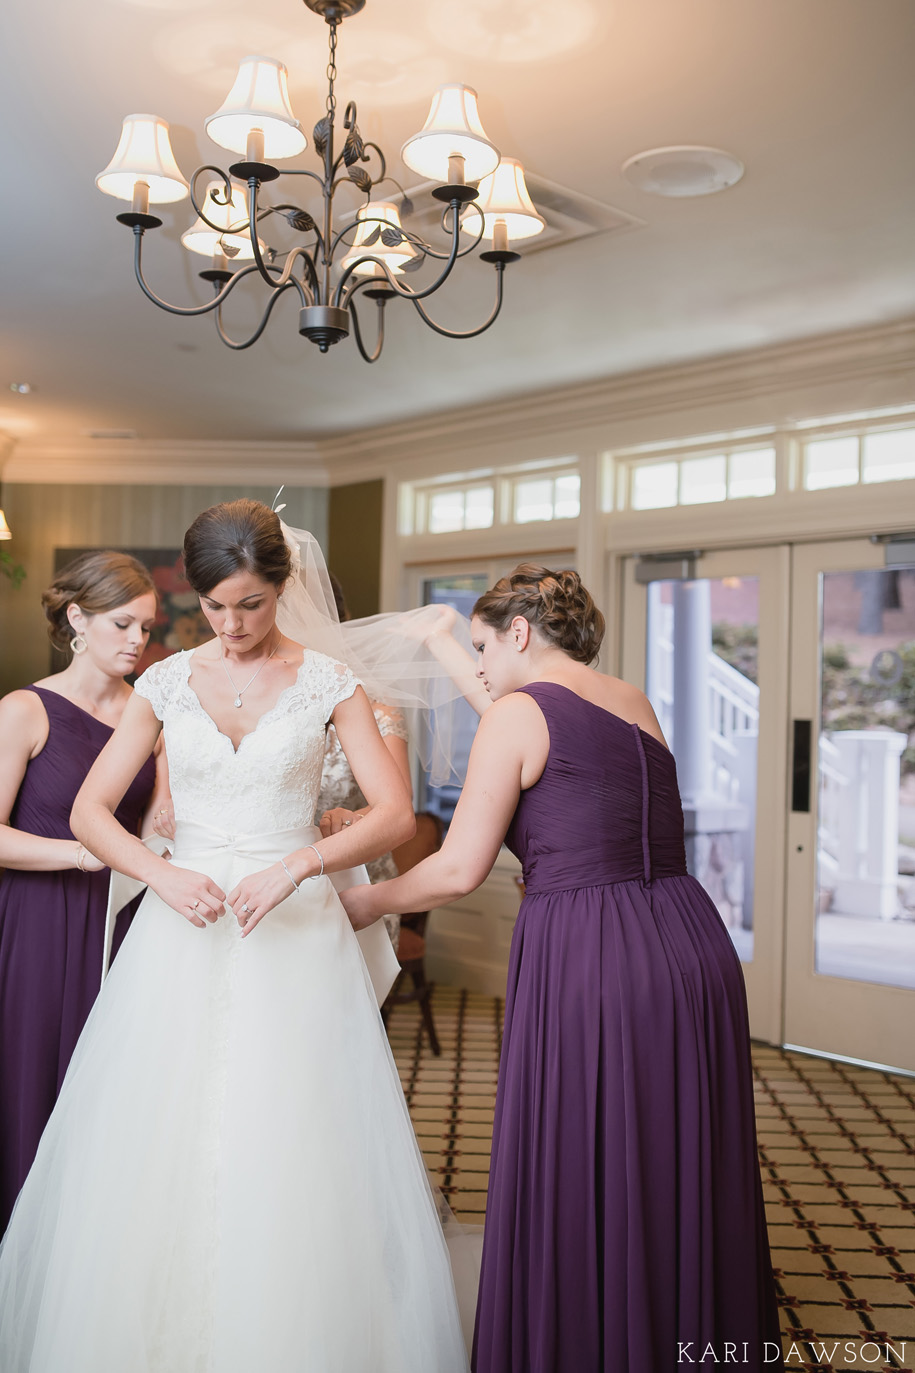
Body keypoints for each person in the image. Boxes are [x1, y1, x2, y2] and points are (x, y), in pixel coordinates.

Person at [0, 500, 470, 1372]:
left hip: (295, 939)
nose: (232, 624)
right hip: (180, 935)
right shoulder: (168, 682)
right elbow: (89, 812)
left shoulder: (330, 680)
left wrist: (299, 865)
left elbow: (396, 811)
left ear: (278, 590)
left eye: (249, 605)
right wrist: (161, 872)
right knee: (156, 1132)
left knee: (294, 1130)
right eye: (215, 605)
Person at [341, 564, 785, 1373]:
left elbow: (455, 869)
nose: (476, 667)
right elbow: (540, 751)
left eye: (480, 646)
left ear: (518, 633)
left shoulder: (517, 714)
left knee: (591, 1144)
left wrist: (367, 905)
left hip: (593, 951)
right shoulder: (630, 699)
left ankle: (598, 1339)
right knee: (671, 1147)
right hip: (689, 945)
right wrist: (445, 647)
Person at [0, 550, 163, 1234]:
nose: (136, 640)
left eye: (147, 628)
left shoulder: (154, 716)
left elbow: (159, 836)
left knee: (106, 1087)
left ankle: (83, 1250)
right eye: (122, 623)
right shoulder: (24, 710)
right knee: (31, 1071)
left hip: (124, 924)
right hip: (35, 920)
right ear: (77, 617)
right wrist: (81, 852)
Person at [316, 573, 412, 951]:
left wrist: (352, 818)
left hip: (356, 884)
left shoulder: (376, 709)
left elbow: (397, 806)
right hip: (270, 879)